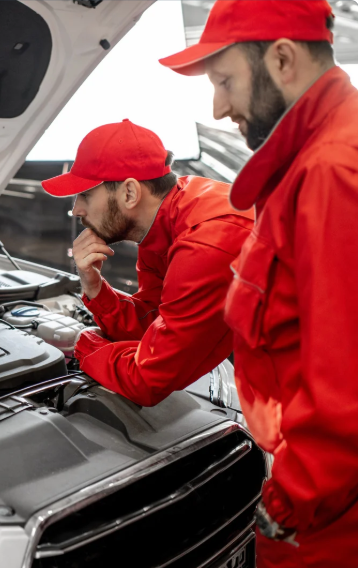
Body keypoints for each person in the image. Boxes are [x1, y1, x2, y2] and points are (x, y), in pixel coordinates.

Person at [159, 1, 358, 565]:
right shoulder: (314, 159)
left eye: (224, 80)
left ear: (283, 59)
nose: (218, 108)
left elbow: (348, 385)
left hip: (330, 513)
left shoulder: (333, 170)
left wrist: (287, 505)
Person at [42, 120, 253, 406]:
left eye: (86, 195)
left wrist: (82, 343)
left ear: (130, 193)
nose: (76, 209)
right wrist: (94, 288)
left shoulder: (207, 240)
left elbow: (149, 380)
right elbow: (154, 323)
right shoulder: (165, 225)